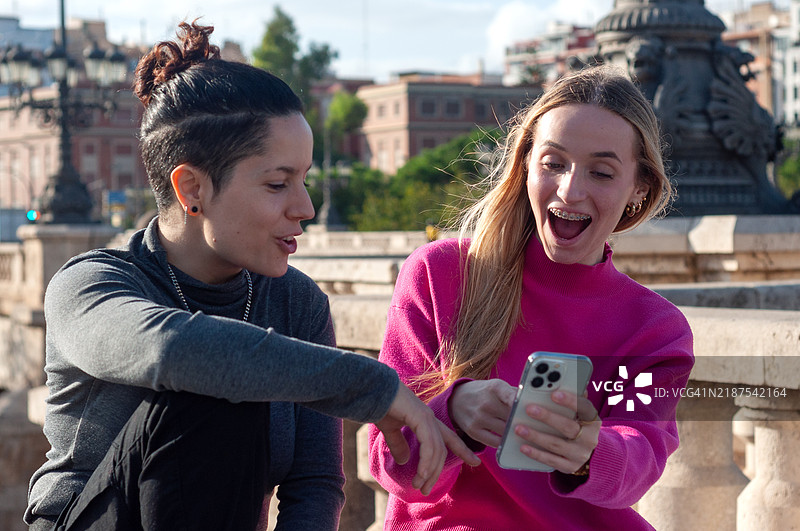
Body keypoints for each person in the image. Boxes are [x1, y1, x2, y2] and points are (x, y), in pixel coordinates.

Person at [25, 21, 478, 531]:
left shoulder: (297, 302)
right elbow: (172, 350)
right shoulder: (90, 286)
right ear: (192, 187)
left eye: (304, 180)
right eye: (278, 183)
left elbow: (314, 482)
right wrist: (372, 386)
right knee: (216, 391)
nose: (305, 207)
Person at [368, 65, 695, 530]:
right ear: (525, 164)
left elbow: (637, 464)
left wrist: (587, 453)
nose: (570, 189)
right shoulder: (437, 274)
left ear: (638, 189)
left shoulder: (657, 327)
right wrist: (452, 412)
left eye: (601, 172)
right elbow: (391, 465)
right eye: (553, 163)